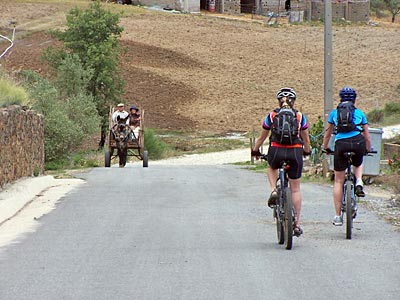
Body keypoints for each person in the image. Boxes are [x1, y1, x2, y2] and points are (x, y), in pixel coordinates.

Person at [251, 87, 311, 236]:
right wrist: (307, 150)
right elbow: (306, 139)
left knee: (272, 167)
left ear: (279, 101)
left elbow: (262, 137)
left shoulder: (272, 116)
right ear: (293, 101)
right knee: (295, 188)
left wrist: (255, 150)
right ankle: (296, 224)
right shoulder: (299, 116)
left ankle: (273, 190)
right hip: (295, 151)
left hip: (276, 150)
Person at [322, 86, 371, 226]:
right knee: (359, 160)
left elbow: (327, 134)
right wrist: (368, 148)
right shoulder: (360, 113)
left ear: (340, 99)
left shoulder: (334, 114)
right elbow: (367, 136)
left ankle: (337, 216)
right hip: (357, 142)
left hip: (340, 144)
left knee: (338, 180)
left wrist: (325, 147)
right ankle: (359, 180)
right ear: (354, 100)